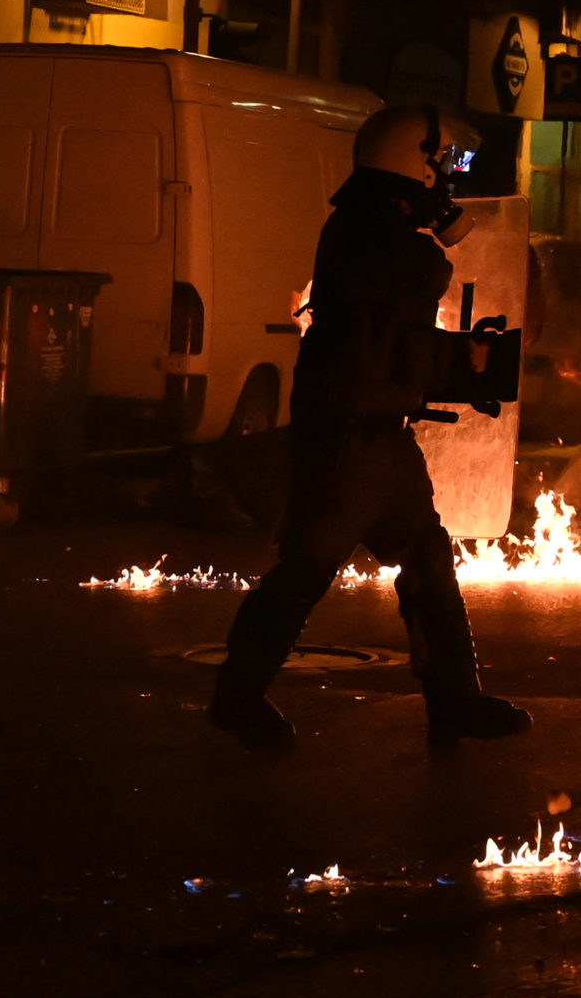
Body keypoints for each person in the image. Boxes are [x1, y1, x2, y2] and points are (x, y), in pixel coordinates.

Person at [208, 104, 531, 751]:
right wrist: (461, 362)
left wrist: (455, 360)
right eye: (441, 167)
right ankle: (237, 700)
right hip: (350, 437)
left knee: (426, 560)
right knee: (306, 570)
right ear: (412, 164)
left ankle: (455, 700)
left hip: (378, 432)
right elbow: (385, 342)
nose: (447, 182)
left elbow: (390, 340)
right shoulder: (374, 237)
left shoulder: (377, 231)